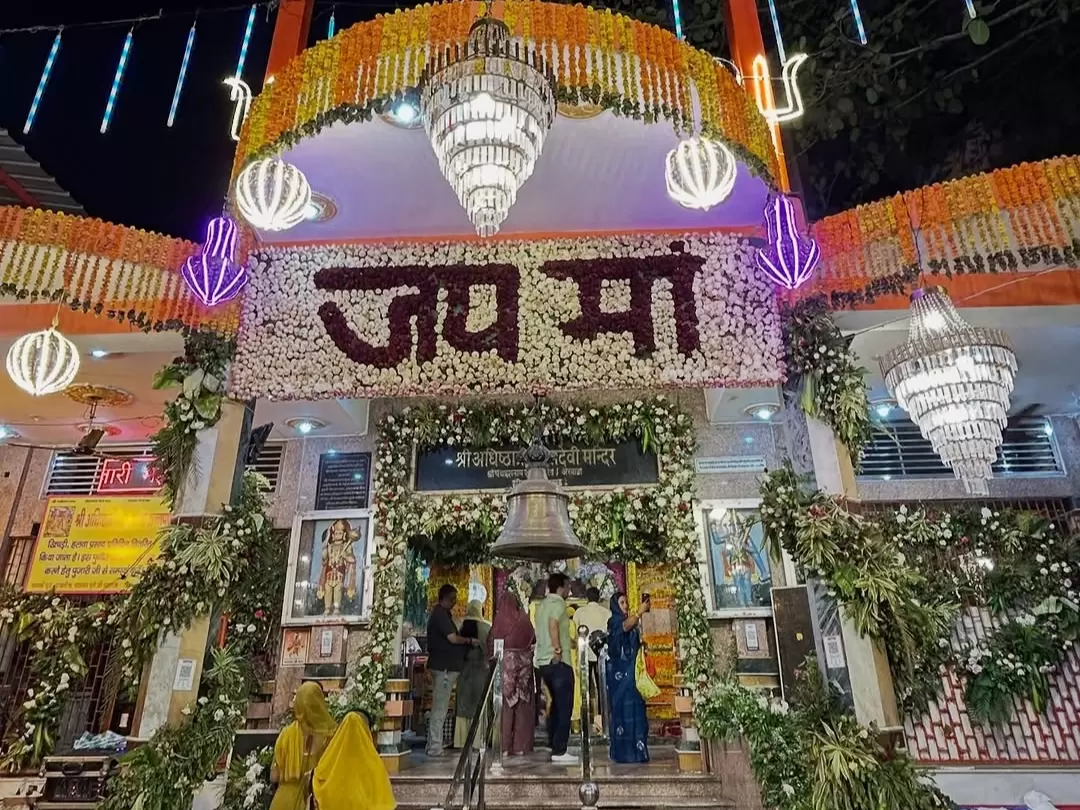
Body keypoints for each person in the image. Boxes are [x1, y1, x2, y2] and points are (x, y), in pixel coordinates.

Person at [426, 584, 482, 756]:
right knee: (440, 707)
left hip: (446, 666)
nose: (454, 602)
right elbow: (452, 638)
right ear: (444, 598)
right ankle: (435, 746)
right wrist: (469, 641)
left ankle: (433, 744)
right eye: (453, 598)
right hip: (443, 667)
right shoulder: (440, 615)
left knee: (440, 706)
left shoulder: (443, 615)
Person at [270, 682, 337, 810]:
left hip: (284, 801)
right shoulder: (331, 735)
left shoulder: (286, 734)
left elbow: (274, 775)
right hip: (316, 801)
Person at [312, 711, 396, 810]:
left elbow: (318, 783)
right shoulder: (375, 764)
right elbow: (384, 801)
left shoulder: (328, 761)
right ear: (365, 730)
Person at [534, 572, 576, 764]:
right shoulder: (558, 603)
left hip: (543, 663)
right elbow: (553, 624)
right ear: (560, 587)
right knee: (565, 706)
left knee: (555, 705)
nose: (570, 590)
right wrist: (558, 649)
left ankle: (553, 744)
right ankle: (560, 751)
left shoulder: (542, 605)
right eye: (568, 586)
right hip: (558, 662)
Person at [488, 590, 536, 758]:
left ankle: (504, 746)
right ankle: (521, 745)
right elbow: (533, 639)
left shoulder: (500, 620)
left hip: (506, 665)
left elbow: (491, 643)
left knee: (505, 705)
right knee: (522, 704)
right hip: (524, 666)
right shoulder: (524, 619)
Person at [606, 592, 651, 764]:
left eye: (626, 602)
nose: (625, 605)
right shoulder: (614, 621)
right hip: (620, 674)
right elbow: (624, 627)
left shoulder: (631, 621)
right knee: (623, 712)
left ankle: (639, 752)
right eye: (622, 602)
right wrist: (639, 612)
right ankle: (624, 753)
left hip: (632, 672)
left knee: (637, 710)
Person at [572, 586, 611, 733]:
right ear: (599, 597)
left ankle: (584, 719)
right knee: (602, 689)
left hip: (585, 655)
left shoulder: (580, 612)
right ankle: (602, 720)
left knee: (585, 688)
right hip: (602, 654)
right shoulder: (606, 612)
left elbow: (575, 632)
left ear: (587, 598)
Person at [454, 600, 492, 748]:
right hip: (481, 671)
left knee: (464, 704)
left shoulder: (460, 626)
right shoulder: (486, 628)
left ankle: (461, 741)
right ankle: (478, 741)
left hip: (464, 671)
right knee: (479, 704)